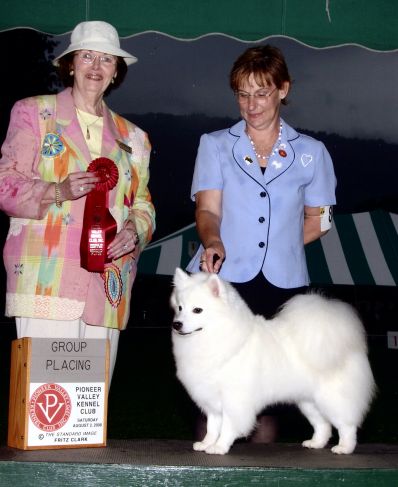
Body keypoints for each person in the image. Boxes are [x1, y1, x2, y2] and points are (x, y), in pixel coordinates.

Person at [187, 45, 336, 441]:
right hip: (225, 281)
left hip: (284, 288)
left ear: (283, 90)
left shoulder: (312, 153)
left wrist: (277, 247)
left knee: (267, 397)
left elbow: (319, 220)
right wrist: (214, 240)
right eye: (242, 94)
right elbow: (207, 211)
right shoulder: (215, 145)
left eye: (262, 93)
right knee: (216, 393)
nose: (251, 104)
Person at [0, 21, 155, 383]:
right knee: (47, 401)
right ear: (70, 63)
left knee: (89, 407)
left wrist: (135, 230)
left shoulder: (135, 138)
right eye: (87, 57)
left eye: (106, 60)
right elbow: (5, 184)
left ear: (116, 72)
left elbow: (144, 203)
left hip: (108, 282)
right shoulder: (33, 113)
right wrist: (58, 191)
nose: (96, 67)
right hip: (46, 278)